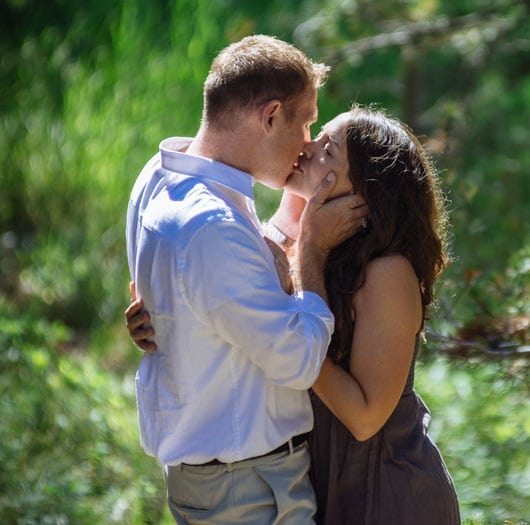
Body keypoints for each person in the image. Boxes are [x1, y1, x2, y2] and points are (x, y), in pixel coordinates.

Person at [128, 106, 461, 524]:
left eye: (328, 150)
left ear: (365, 191)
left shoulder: (387, 273)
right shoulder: (307, 245)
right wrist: (159, 318)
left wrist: (292, 338)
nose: (308, 146)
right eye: (317, 135)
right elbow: (234, 310)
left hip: (388, 493)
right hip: (315, 480)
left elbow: (364, 417)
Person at [125, 34, 366, 524]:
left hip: (221, 482)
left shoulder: (159, 178)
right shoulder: (214, 226)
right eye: (305, 123)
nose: (308, 142)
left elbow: (217, 284)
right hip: (248, 490)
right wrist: (314, 251)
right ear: (271, 116)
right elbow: (299, 360)